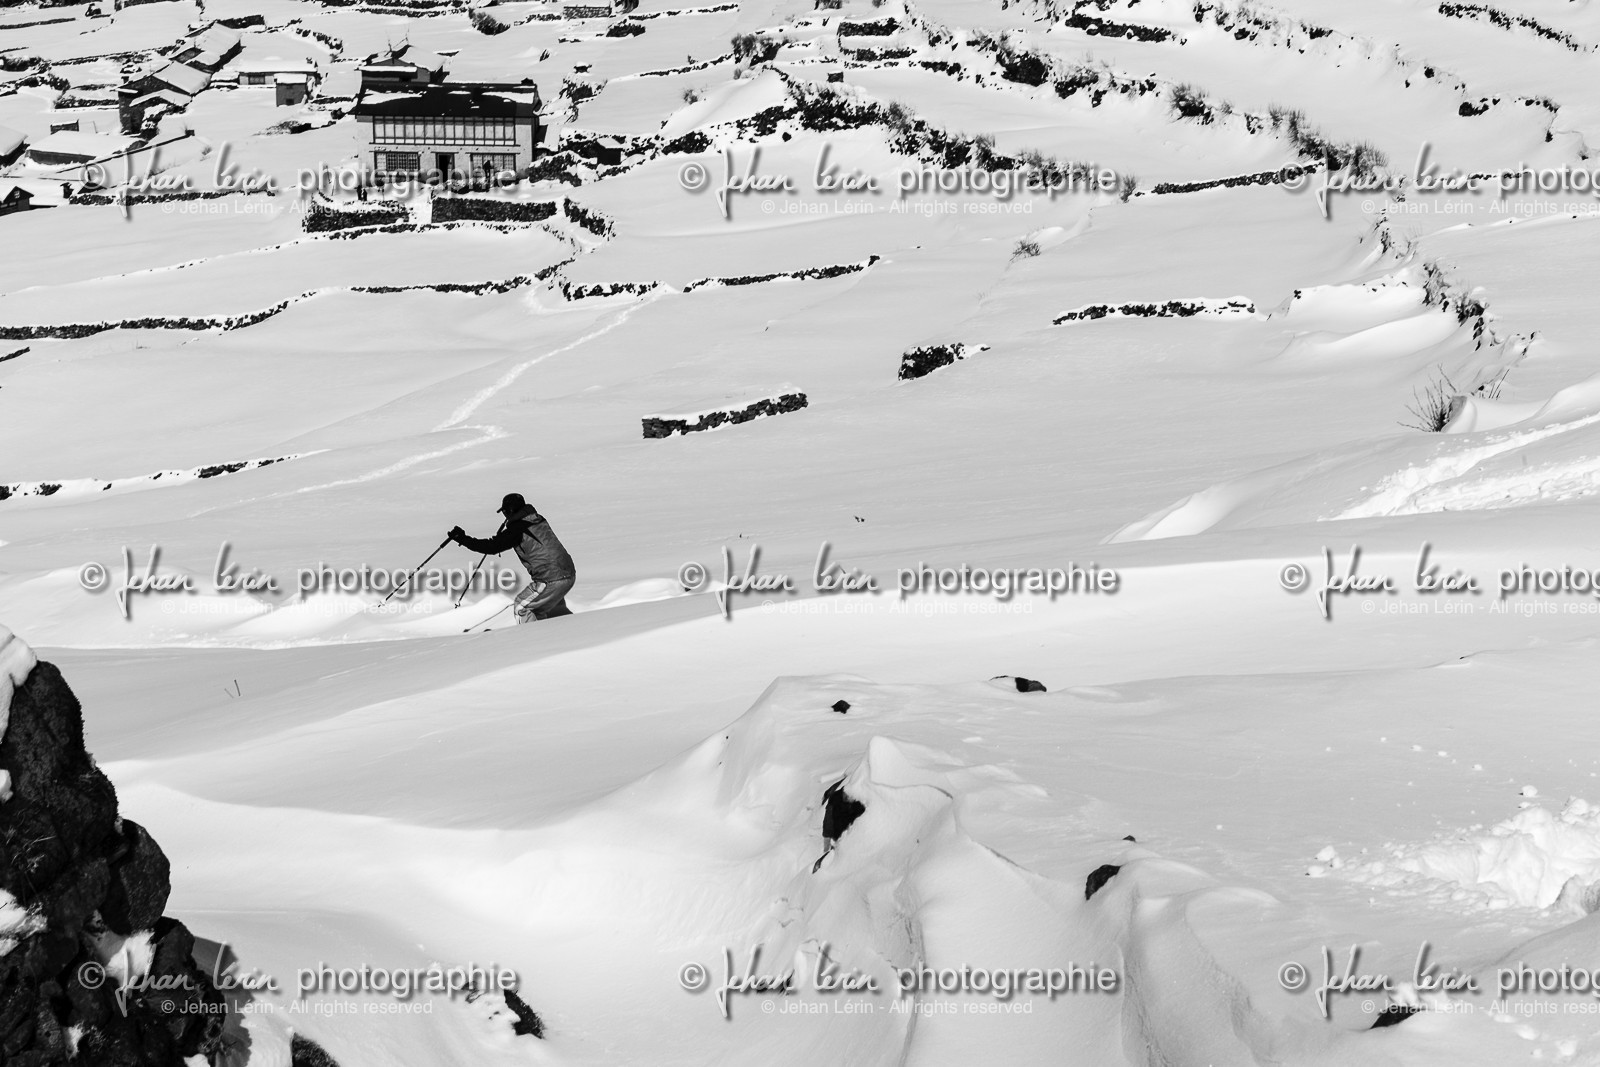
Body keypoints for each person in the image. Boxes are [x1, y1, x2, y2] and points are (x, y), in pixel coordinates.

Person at [449, 493, 576, 622]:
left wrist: (462, 539)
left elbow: (491, 547)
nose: (505, 516)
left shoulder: (518, 529)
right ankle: (554, 637)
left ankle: (530, 639)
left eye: (504, 512)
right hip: (569, 574)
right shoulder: (537, 519)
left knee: (521, 607)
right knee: (543, 611)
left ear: (510, 511)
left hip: (550, 579)